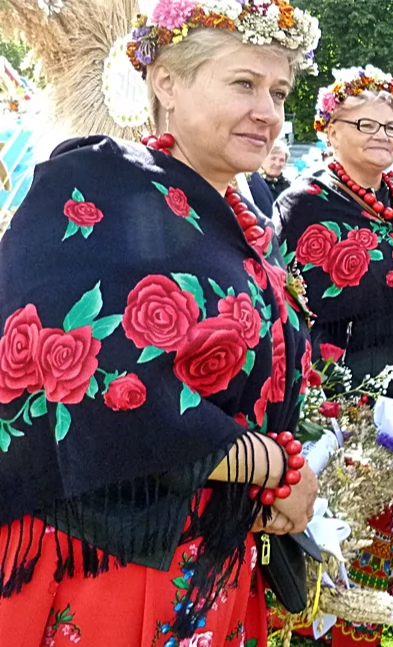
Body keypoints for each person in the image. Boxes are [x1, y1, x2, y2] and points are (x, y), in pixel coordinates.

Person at [0, 2, 322, 645]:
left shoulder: (242, 214)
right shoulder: (93, 184)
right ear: (166, 83)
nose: (268, 110)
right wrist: (269, 466)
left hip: (210, 554)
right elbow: (92, 386)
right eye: (244, 83)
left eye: (279, 91)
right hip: (109, 563)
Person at [276, 65, 393, 646]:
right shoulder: (303, 206)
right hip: (341, 422)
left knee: (385, 570)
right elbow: (284, 314)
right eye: (365, 124)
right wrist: (322, 402)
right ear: (329, 129)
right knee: (334, 559)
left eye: (391, 125)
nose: (382, 135)